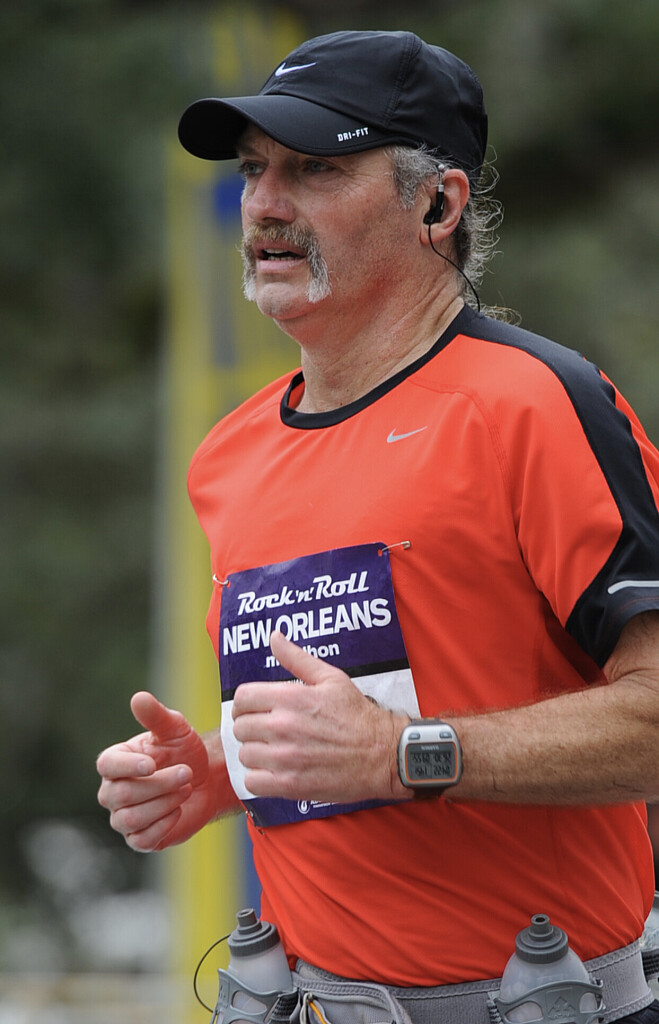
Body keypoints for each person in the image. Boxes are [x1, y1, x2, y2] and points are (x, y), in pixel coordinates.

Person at [96, 30, 659, 1023]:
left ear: (436, 205)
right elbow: (368, 707)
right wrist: (223, 772)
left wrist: (406, 753)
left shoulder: (532, 403)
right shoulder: (229, 454)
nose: (264, 204)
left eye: (314, 168)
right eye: (253, 169)